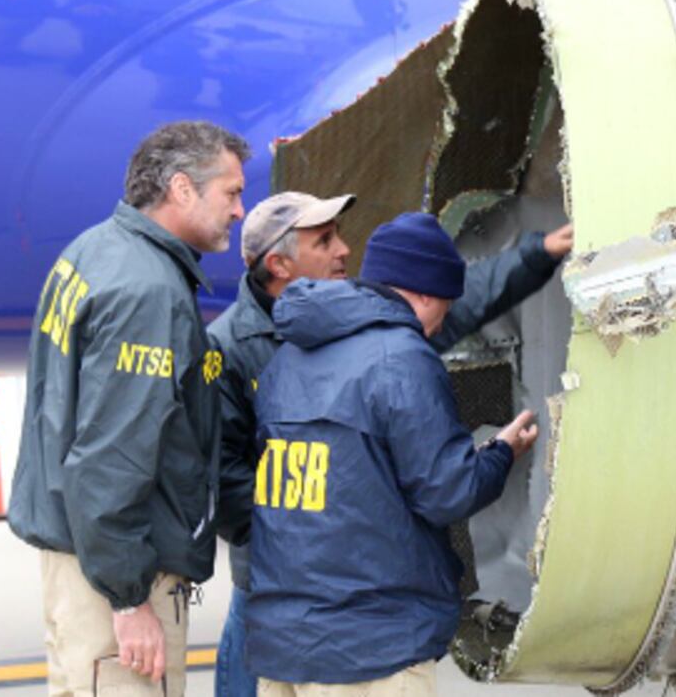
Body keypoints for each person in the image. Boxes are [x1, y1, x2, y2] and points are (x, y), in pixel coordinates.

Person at [209, 194, 571, 697]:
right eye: (324, 238)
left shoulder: (291, 353)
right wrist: (500, 452)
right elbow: (447, 492)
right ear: (424, 296)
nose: (342, 249)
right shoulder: (399, 357)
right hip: (371, 646)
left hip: (288, 637)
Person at [8, 120, 250, 696]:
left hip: (75, 554)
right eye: (232, 193)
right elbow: (112, 457)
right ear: (183, 188)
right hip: (114, 572)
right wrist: (129, 598)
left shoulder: (94, 249)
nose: (240, 211)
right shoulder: (149, 292)